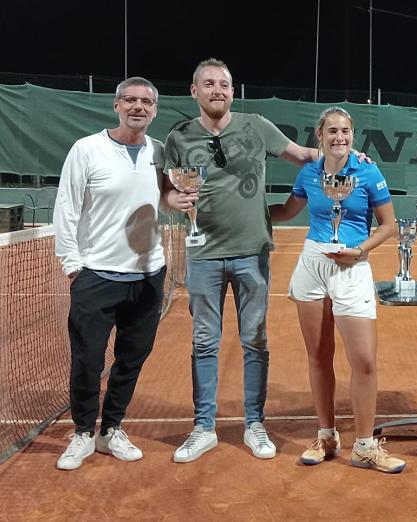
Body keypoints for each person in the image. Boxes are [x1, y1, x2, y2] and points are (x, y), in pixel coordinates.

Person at [163, 58, 321, 463]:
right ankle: (203, 427)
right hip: (203, 255)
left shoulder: (257, 125)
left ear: (233, 92)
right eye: (209, 83)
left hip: (252, 253)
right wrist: (174, 200)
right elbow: (168, 191)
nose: (218, 90)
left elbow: (304, 155)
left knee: (255, 340)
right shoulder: (179, 136)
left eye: (225, 84)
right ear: (194, 90)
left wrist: (350, 156)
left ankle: (254, 424)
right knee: (204, 342)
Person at [269, 106, 405, 473]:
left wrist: (360, 250)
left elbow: (388, 225)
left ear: (353, 134)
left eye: (345, 131)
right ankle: (326, 436)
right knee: (318, 355)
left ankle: (364, 446)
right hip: (313, 263)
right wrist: (241, 212)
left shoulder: (367, 170)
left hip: (353, 265)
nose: (339, 137)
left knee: (363, 361)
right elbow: (285, 210)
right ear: (320, 135)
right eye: (332, 131)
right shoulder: (309, 173)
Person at [53, 77, 166, 470]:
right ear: (116, 105)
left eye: (146, 102)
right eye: (130, 100)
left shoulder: (160, 151)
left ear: (155, 109)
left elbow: (168, 197)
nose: (138, 107)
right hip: (97, 275)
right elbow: (66, 207)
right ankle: (83, 432)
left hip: (149, 275)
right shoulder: (87, 149)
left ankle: (110, 429)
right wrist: (71, 263)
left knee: (131, 359)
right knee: (87, 360)